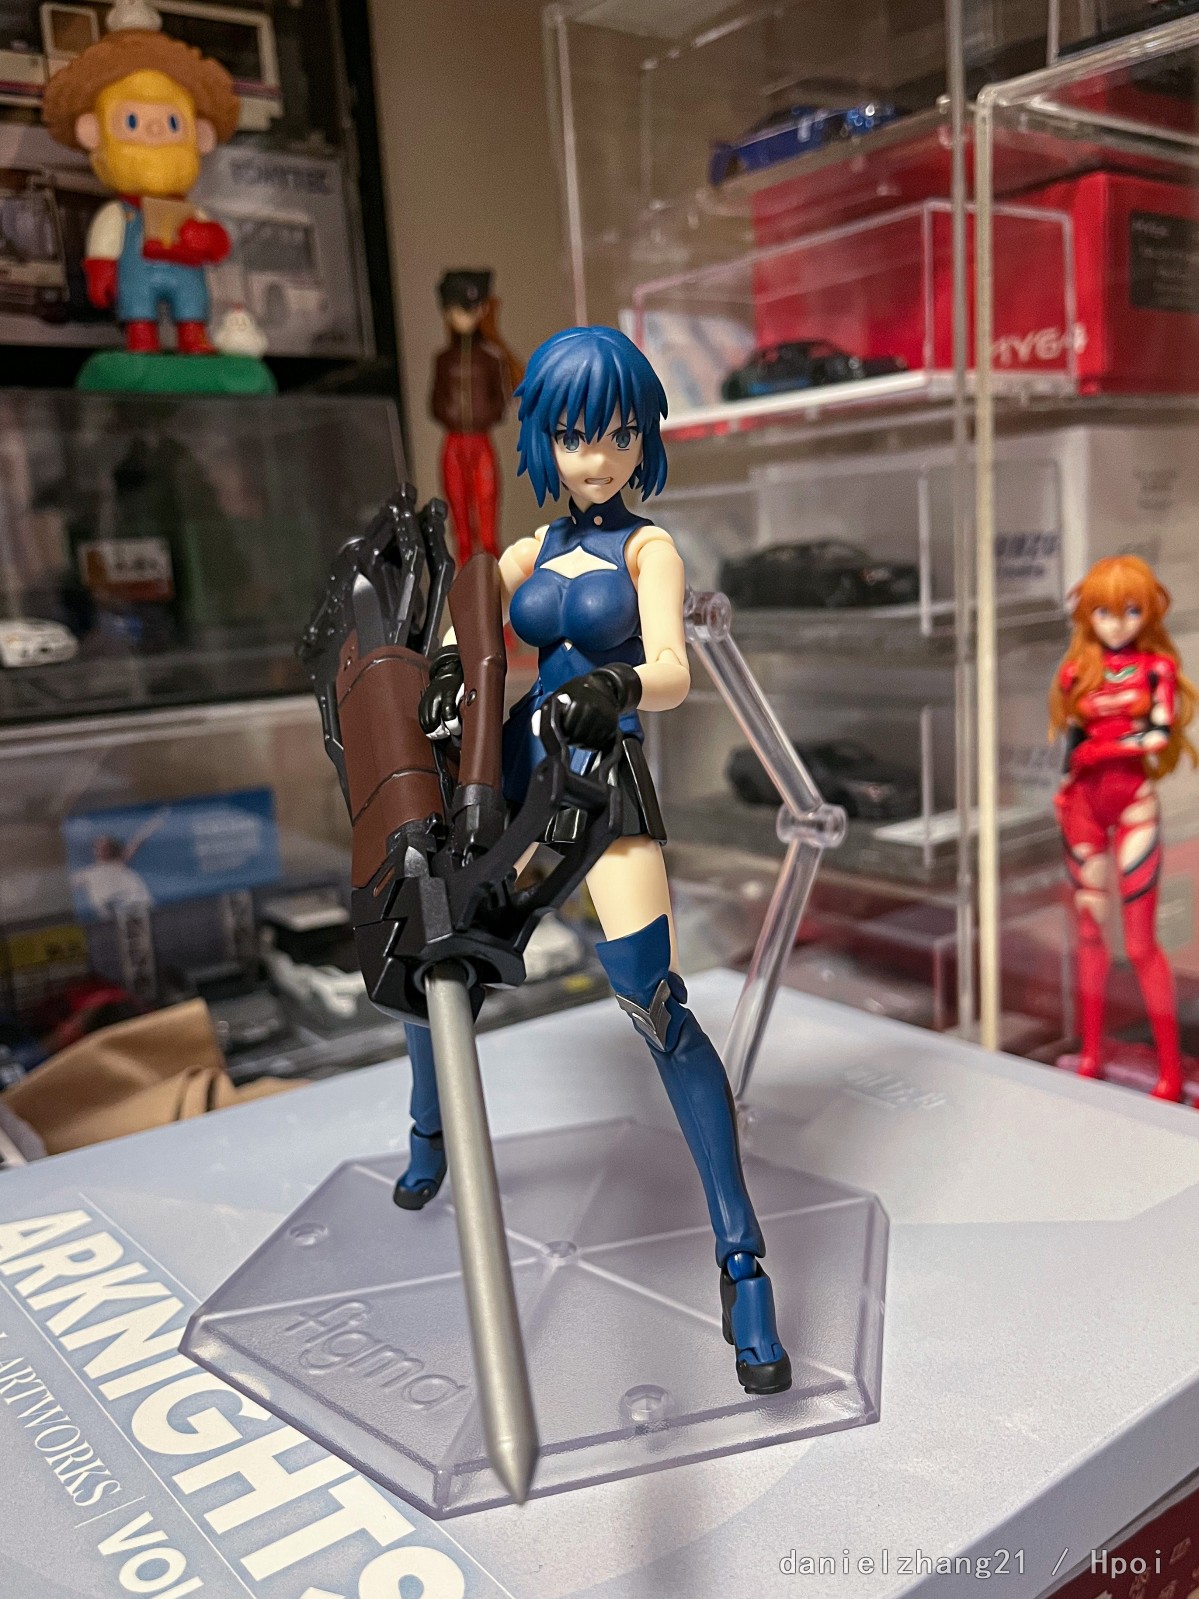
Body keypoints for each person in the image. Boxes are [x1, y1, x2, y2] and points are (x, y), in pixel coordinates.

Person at [398, 324, 792, 1396]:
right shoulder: (530, 549)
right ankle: (428, 1134)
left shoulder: (648, 550)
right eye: (578, 436)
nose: (600, 456)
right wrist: (448, 677)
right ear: (545, 439)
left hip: (601, 784)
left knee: (655, 1003)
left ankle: (741, 1264)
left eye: (619, 433)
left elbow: (671, 669)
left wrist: (618, 686)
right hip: (514, 772)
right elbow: (469, 619)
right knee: (431, 941)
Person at [1049, 555, 1197, 1100]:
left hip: (1133, 803)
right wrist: (1071, 780)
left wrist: (1103, 750)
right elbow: (1071, 745)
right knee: (1089, 935)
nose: (1117, 623)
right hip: (1084, 808)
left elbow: (1158, 735)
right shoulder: (1077, 671)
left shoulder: (1155, 670)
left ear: (1147, 612)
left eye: (1130, 610)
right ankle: (1090, 1053)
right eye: (1104, 612)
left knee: (1139, 944)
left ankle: (1170, 1071)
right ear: (1088, 614)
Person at [41, 1, 239, 354]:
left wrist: (207, 238)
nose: (154, 130)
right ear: (94, 132)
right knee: (138, 305)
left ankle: (193, 335)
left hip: (185, 271)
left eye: (172, 122)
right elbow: (105, 240)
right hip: (137, 276)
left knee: (191, 300)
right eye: (132, 121)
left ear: (200, 136)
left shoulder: (189, 210)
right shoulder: (121, 213)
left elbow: (218, 244)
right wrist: (102, 270)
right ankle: (141, 337)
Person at [429, 270, 523, 565]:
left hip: (481, 442)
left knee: (486, 513)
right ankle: (465, 575)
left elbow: (503, 397)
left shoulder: (492, 357)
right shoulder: (444, 359)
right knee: (458, 516)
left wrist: (488, 413)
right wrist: (450, 414)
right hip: (453, 443)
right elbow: (435, 400)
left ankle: (491, 576)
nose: (463, 316)